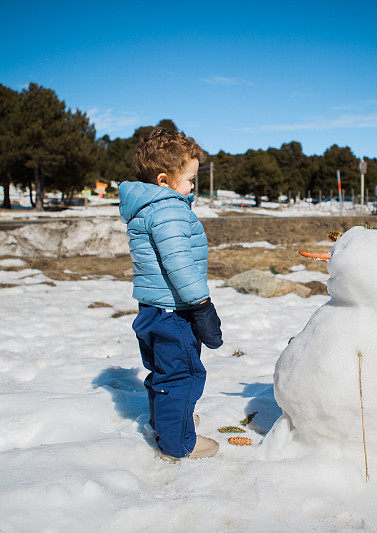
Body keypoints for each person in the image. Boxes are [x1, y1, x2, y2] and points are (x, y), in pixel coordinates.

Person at [118, 128, 223, 461]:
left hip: (152, 309)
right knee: (183, 374)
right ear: (164, 180)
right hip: (175, 311)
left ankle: (168, 422)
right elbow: (179, 264)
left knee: (164, 372)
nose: (193, 186)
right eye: (190, 179)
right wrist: (202, 305)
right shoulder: (169, 210)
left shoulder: (146, 208)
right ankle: (177, 445)